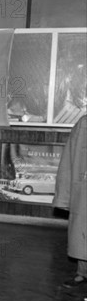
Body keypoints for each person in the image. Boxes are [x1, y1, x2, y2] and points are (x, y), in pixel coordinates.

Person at [53, 115, 87, 288]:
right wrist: (64, 194)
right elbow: (70, 158)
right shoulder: (84, 123)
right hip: (84, 186)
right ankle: (82, 273)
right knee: (82, 229)